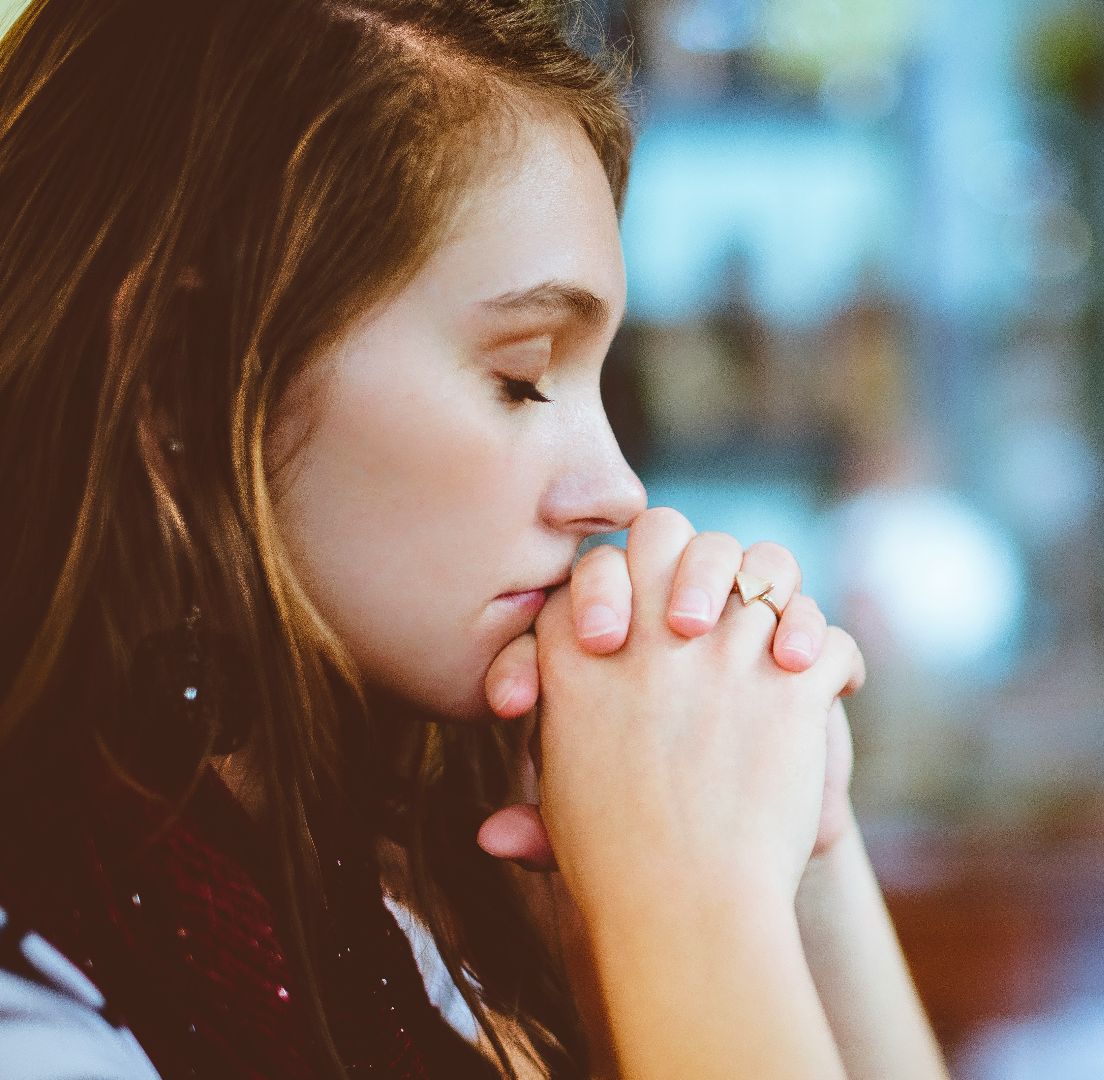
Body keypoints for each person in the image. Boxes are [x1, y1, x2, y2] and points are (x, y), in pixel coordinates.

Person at [0, 0, 948, 1077]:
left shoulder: (415, 874)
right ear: (182, 379)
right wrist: (690, 897)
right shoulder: (40, 1005)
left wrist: (799, 842)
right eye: (520, 375)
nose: (619, 492)